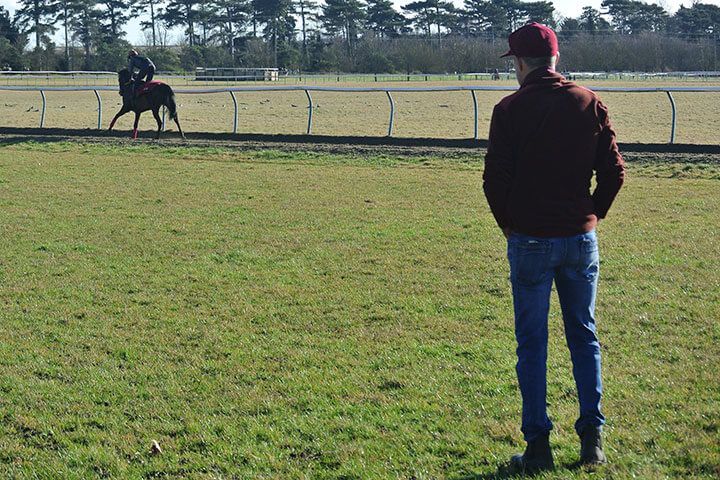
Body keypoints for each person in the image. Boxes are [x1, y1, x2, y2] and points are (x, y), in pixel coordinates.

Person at [482, 23, 625, 474]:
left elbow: (494, 181)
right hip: (580, 240)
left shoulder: (508, 110)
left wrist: (511, 225)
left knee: (532, 343)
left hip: (529, 240)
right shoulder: (588, 102)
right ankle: (592, 439)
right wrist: (591, 215)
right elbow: (615, 172)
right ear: (556, 59)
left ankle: (538, 445)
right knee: (584, 336)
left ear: (520, 64)